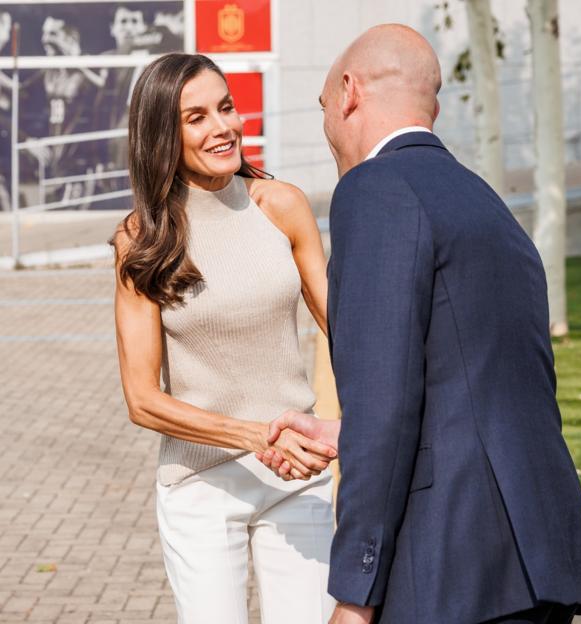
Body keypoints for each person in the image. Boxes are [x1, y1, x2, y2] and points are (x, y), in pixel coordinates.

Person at [258, 24, 581, 624]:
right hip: (538, 558)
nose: (325, 128)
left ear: (348, 94)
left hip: (448, 569)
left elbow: (387, 403)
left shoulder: (373, 192)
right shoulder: (485, 201)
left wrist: (353, 594)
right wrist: (349, 432)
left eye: (323, 107)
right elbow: (478, 383)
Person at [111, 53, 337, 623]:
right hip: (201, 483)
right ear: (164, 134)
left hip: (297, 475)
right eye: (196, 117)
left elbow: (348, 329)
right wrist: (258, 433)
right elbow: (142, 400)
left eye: (227, 107)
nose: (223, 127)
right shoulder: (141, 239)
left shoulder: (281, 205)